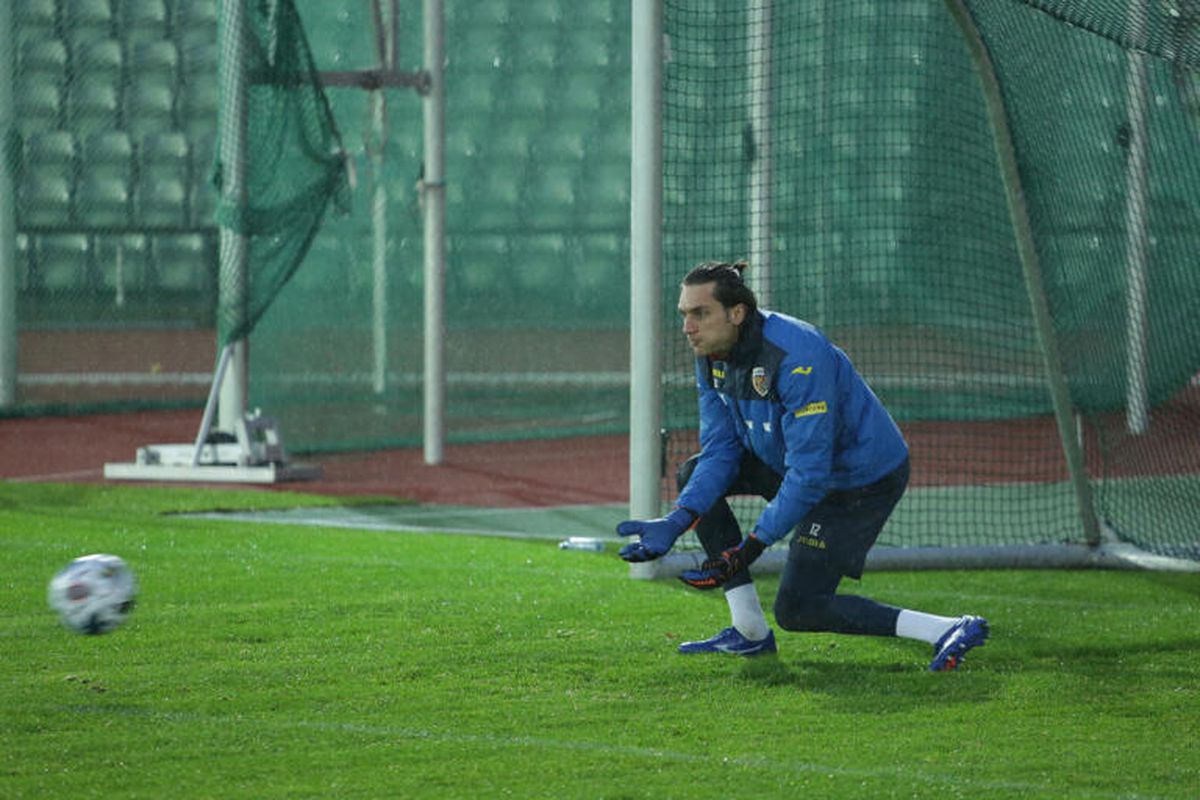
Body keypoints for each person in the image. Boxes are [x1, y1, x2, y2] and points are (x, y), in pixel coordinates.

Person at [616, 260, 989, 671]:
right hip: (790, 463)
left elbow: (812, 474)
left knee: (800, 608)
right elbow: (721, 449)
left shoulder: (797, 355)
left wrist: (750, 548)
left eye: (700, 313)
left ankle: (948, 628)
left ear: (736, 313)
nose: (688, 327)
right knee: (694, 473)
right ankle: (749, 633)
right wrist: (678, 518)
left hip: (857, 483)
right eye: (684, 315)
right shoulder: (710, 353)